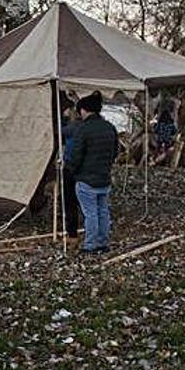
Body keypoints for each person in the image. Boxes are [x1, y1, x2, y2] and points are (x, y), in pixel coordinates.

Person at [65, 91, 118, 254]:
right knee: (103, 211)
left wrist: (70, 171)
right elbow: (115, 151)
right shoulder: (110, 127)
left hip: (86, 179)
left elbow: (76, 155)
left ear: (83, 110)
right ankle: (103, 243)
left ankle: (90, 245)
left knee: (91, 214)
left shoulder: (83, 129)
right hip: (104, 177)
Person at [60, 93, 81, 247]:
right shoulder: (88, 127)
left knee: (70, 200)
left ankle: (72, 233)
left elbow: (59, 133)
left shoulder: (71, 128)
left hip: (71, 167)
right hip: (86, 168)